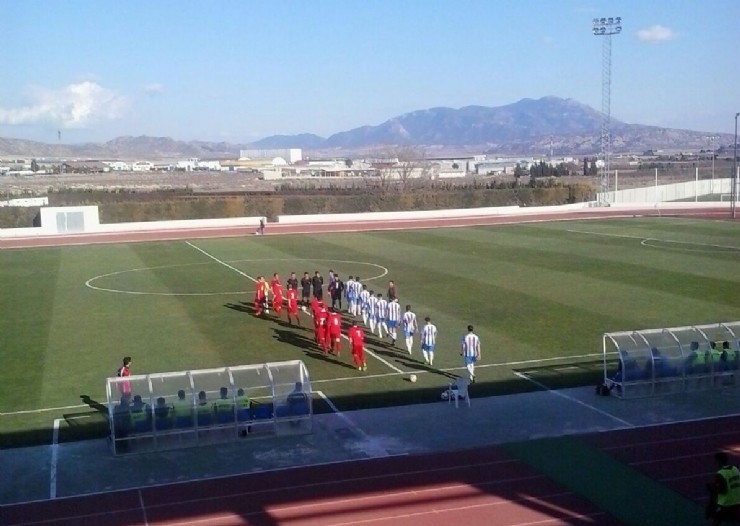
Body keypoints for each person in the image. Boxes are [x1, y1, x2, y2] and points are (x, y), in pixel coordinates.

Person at [706, 451, 740, 525]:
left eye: (715, 462)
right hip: (737, 501)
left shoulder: (721, 473)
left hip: (725, 503)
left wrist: (711, 488)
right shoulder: (735, 469)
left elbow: (721, 490)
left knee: (716, 520)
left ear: (719, 462)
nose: (714, 464)